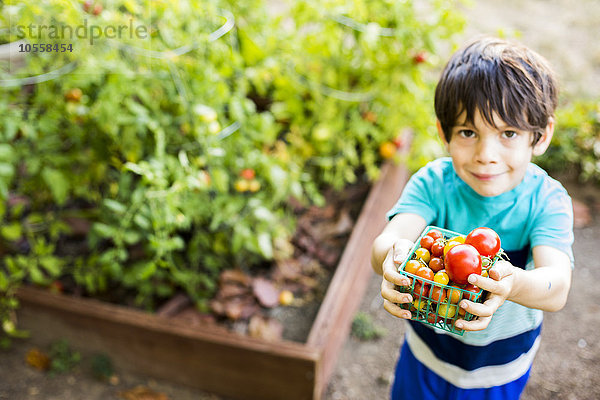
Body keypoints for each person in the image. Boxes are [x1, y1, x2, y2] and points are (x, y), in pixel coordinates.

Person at [371, 36, 574, 400]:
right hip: (426, 353)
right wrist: (392, 258)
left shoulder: (547, 201)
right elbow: (389, 240)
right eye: (468, 132)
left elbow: (557, 286)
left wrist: (512, 284)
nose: (486, 154)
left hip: (499, 365)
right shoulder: (433, 183)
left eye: (508, 133)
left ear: (540, 137)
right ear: (443, 133)